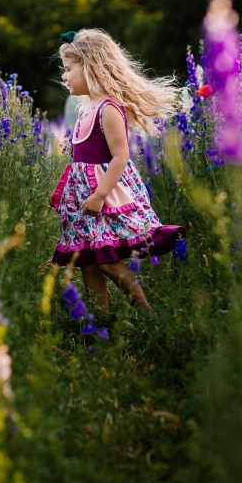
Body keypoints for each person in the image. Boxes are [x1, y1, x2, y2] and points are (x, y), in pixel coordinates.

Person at [49, 28, 185, 310]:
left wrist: (99, 195)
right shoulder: (86, 109)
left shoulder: (108, 109)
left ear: (91, 67)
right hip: (81, 198)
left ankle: (147, 315)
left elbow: (120, 157)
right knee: (86, 261)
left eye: (69, 69)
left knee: (107, 261)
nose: (64, 76)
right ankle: (101, 320)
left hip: (105, 197)